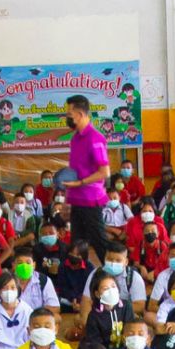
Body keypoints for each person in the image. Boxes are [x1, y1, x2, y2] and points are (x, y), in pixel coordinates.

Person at [59, 93, 113, 255]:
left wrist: (80, 183)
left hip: (91, 199)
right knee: (76, 246)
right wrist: (67, 201)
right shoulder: (75, 139)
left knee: (99, 242)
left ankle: (116, 275)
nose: (67, 118)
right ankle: (80, 277)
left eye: (69, 114)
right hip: (76, 200)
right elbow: (74, 172)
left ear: (81, 114)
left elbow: (104, 172)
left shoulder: (95, 138)